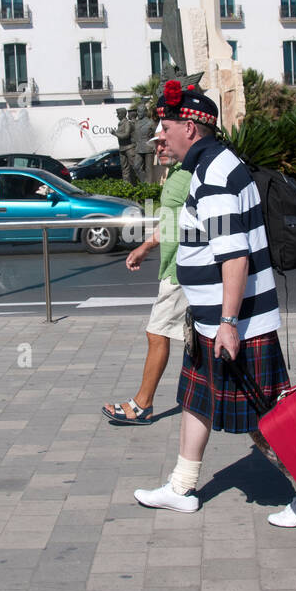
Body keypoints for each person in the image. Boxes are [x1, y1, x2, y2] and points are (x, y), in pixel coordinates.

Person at [132, 79, 296, 528]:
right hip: (211, 317)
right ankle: (181, 488)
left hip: (235, 323)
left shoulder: (214, 172)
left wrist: (229, 322)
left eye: (165, 126)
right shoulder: (212, 165)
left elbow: (233, 254)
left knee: (263, 418)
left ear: (191, 128)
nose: (160, 136)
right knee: (195, 398)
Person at [102, 129, 192, 425]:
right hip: (175, 267)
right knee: (197, 339)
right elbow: (170, 222)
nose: (158, 149)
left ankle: (143, 404)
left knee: (157, 332)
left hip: (182, 270)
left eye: (164, 142)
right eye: (157, 144)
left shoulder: (189, 174)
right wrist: (144, 247)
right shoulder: (177, 173)